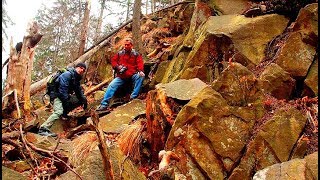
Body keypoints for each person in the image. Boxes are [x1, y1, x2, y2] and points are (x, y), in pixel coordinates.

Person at [38, 63, 88, 137]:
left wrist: (84, 100)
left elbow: (78, 91)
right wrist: (66, 103)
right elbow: (62, 91)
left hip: (64, 97)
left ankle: (64, 113)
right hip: (56, 96)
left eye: (83, 70)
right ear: (76, 67)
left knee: (79, 99)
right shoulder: (67, 75)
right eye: (81, 68)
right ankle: (43, 128)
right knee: (59, 111)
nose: (82, 70)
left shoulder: (76, 79)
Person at [96, 38, 145, 111]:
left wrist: (140, 71)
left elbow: (140, 63)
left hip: (132, 75)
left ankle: (133, 97)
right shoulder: (120, 54)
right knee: (111, 85)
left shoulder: (136, 54)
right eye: (125, 45)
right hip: (121, 76)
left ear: (131, 45)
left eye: (127, 45)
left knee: (140, 76)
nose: (126, 46)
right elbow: (113, 61)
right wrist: (118, 67)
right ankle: (104, 104)